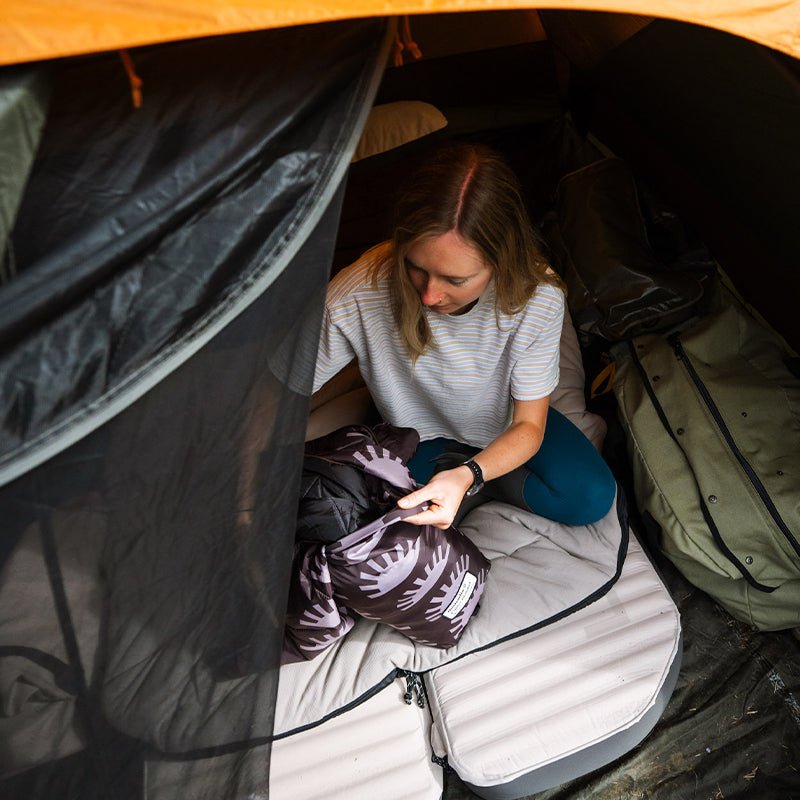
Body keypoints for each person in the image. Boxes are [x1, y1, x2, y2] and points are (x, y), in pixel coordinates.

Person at [310, 143, 615, 529]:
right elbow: (286, 391)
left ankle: (471, 482)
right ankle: (461, 479)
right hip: (412, 430)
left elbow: (529, 426)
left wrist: (468, 474)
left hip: (502, 426)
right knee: (384, 524)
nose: (429, 295)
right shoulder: (359, 289)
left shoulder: (538, 298)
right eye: (415, 267)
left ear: (499, 261)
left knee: (590, 498)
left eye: (455, 280)